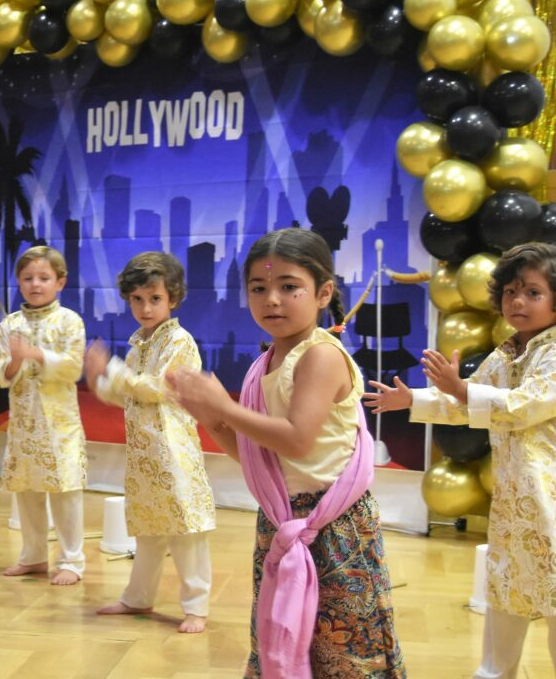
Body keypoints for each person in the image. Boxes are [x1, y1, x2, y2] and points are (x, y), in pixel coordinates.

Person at [167, 228, 404, 678]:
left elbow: (297, 438)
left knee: (345, 645)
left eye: (288, 286)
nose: (272, 299)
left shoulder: (320, 356)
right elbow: (255, 454)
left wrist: (224, 408)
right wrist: (211, 418)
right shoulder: (266, 362)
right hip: (279, 519)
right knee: (283, 635)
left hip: (334, 526)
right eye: (259, 288)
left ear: (323, 293)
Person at [366, 241, 556, 679]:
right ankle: (494, 672)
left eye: (532, 292)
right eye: (510, 292)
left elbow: (522, 405)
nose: (518, 301)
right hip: (515, 502)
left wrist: (462, 390)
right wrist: (410, 398)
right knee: (506, 589)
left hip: (548, 499)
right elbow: (463, 400)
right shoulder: (509, 351)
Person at [85, 252, 217, 633]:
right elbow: (128, 393)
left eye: (155, 298)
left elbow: (156, 388)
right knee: (148, 530)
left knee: (185, 530)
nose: (145, 307)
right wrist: (100, 380)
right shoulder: (138, 345)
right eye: (138, 299)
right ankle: (137, 597)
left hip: (172, 451)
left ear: (173, 298)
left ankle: (197, 606)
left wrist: (111, 368)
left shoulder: (179, 341)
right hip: (145, 455)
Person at [0, 245, 87, 586]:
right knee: (27, 490)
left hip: (59, 425)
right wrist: (14, 362)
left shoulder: (69, 321)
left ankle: (72, 559)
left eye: (44, 278)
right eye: (28, 278)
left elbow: (73, 367)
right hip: (24, 423)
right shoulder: (10, 324)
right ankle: (33, 555)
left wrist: (37, 354)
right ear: (18, 281)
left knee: (64, 491)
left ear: (60, 282)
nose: (36, 284)